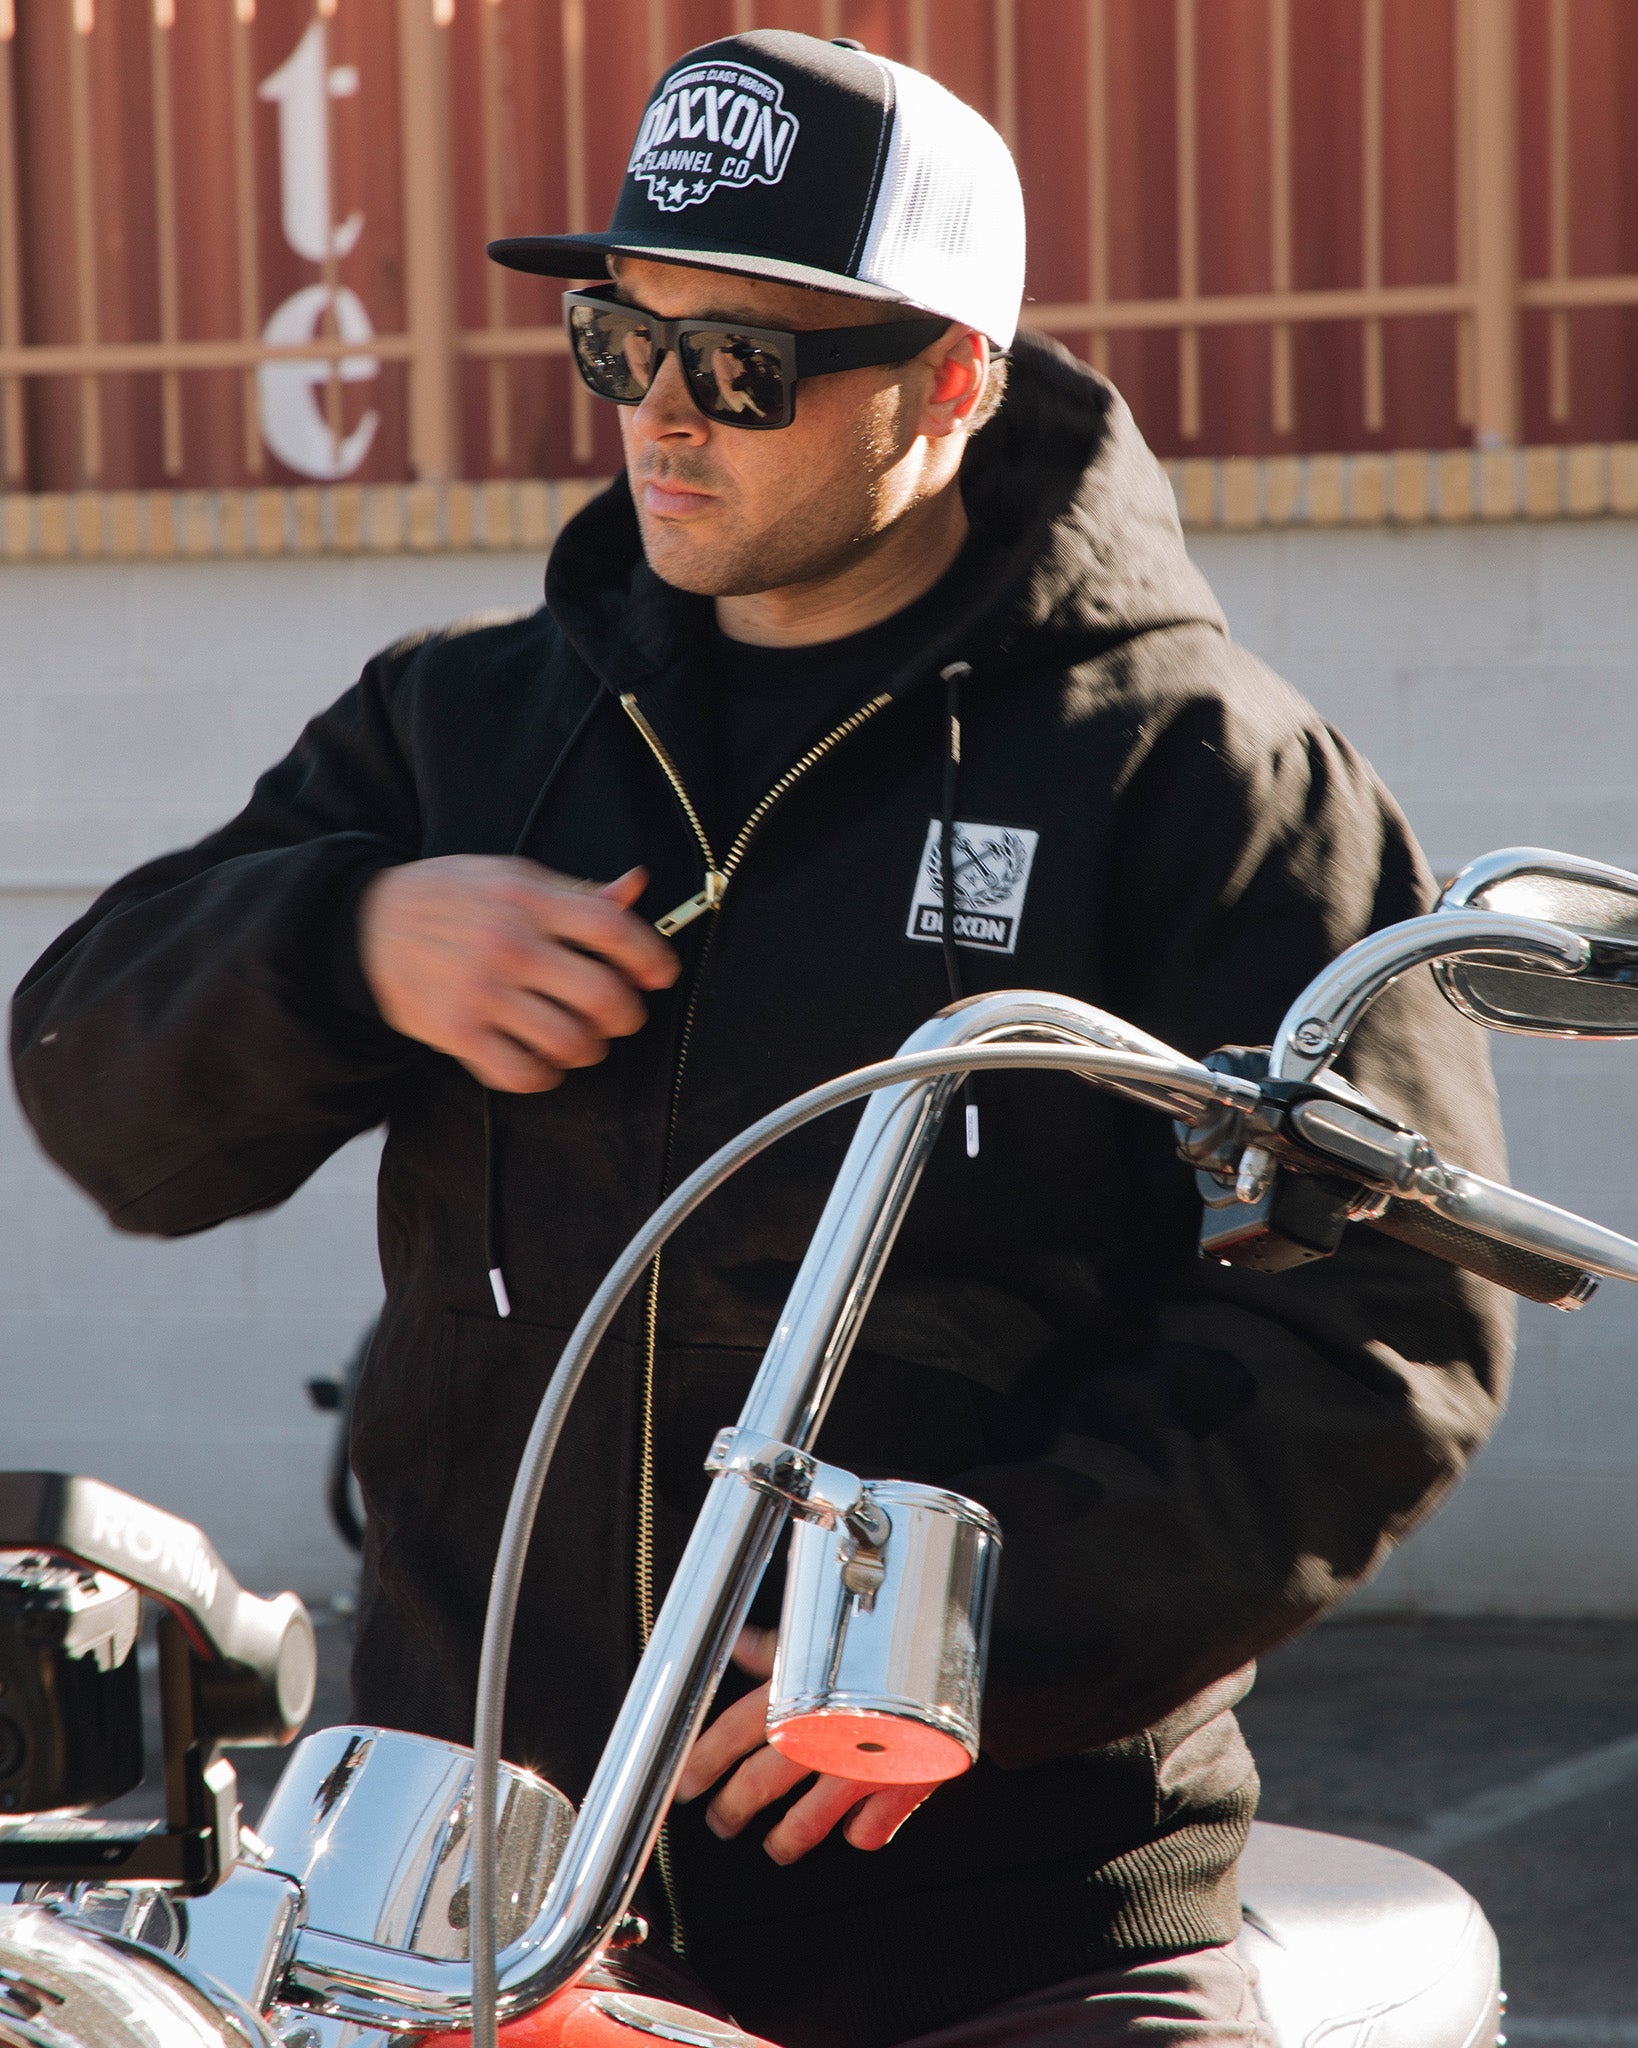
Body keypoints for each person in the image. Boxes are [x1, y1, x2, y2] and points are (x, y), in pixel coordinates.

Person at [10, 30, 1512, 2048]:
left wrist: (973, 1641)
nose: (659, 413)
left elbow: (1384, 1329)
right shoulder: (466, 732)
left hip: (1012, 1929)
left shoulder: (1202, 776)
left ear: (951, 379)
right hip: (482, 1901)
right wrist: (345, 941)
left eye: (742, 364)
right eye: (619, 341)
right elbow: (96, 1082)